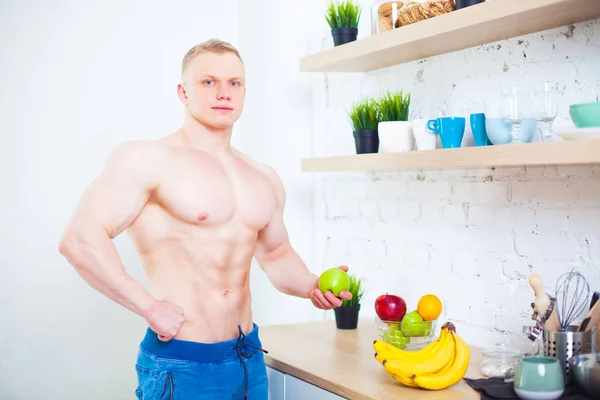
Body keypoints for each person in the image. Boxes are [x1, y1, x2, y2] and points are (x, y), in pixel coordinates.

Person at [58, 38, 352, 400]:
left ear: (245, 92)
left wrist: (311, 285)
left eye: (234, 83)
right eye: (208, 82)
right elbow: (79, 240)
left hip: (249, 357)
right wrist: (149, 308)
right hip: (182, 362)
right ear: (183, 92)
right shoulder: (148, 159)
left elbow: (276, 255)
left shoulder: (262, 177)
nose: (223, 93)